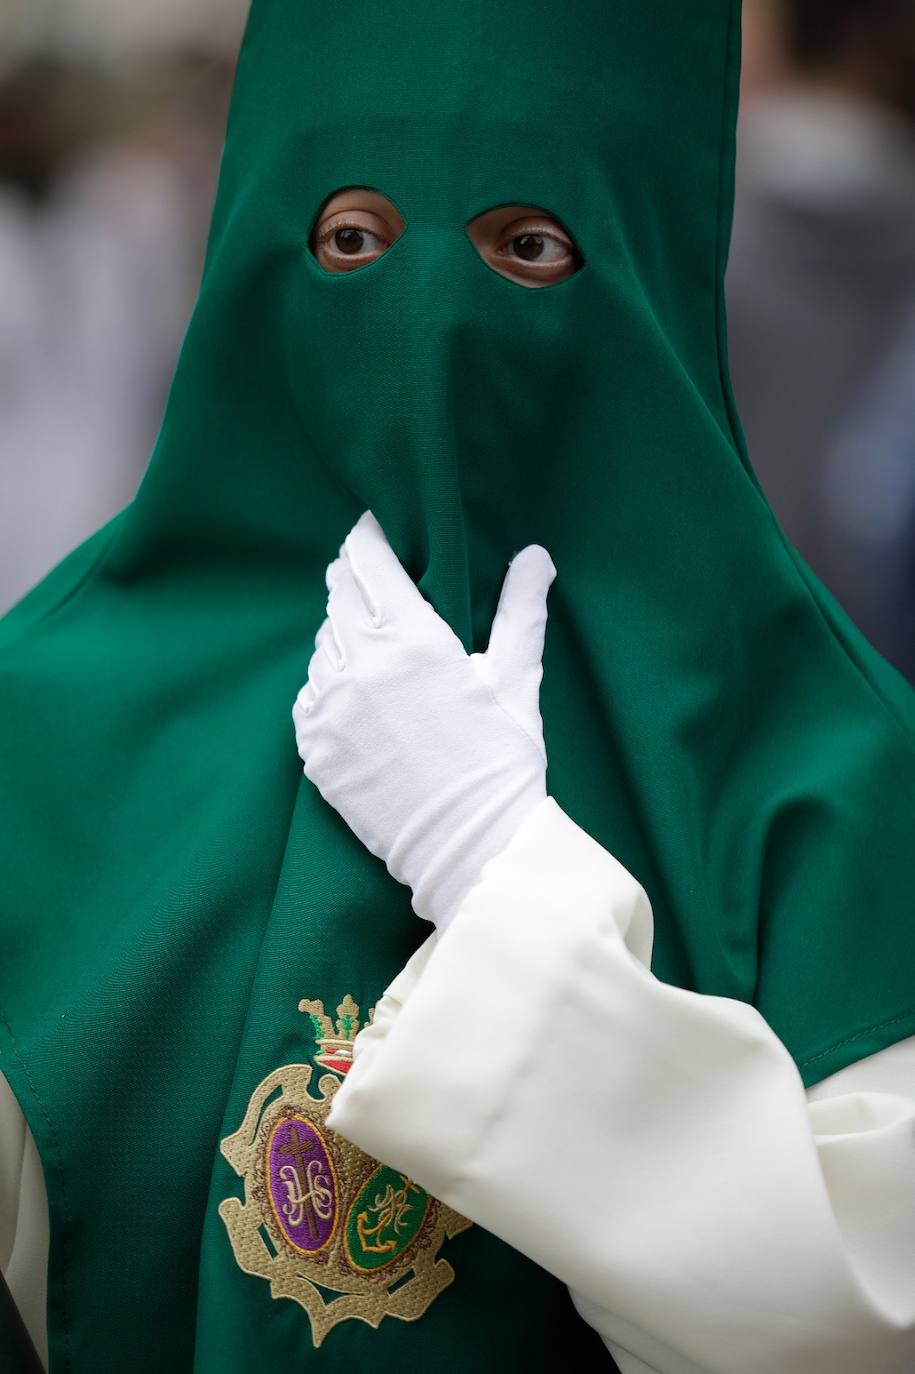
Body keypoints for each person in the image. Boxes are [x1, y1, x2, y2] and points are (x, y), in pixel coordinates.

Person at [1, 1, 914, 1371]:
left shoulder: (824, 766)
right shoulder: (49, 719)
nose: (431, 316)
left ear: (650, 266)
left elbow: (855, 1314)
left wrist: (497, 869)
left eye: (527, 245)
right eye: (352, 239)